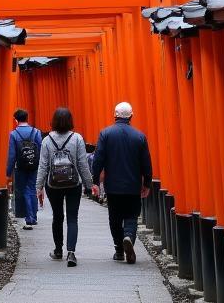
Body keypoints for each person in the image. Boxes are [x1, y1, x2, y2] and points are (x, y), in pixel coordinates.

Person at [91, 101, 153, 264]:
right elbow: (146, 162)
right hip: (133, 185)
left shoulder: (105, 134)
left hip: (113, 186)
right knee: (132, 215)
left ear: (115, 115)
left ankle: (119, 249)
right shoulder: (139, 136)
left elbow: (98, 159)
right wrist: (147, 182)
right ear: (131, 116)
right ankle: (128, 238)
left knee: (115, 217)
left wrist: (95, 181)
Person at [36, 106, 93, 267]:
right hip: (73, 183)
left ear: (53, 121)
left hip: (53, 185)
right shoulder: (77, 139)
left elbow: (43, 166)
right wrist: (89, 184)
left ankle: (58, 250)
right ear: (70, 121)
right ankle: (71, 253)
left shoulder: (47, 140)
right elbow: (82, 164)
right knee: (72, 217)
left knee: (57, 216)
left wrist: (38, 187)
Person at [6, 108, 41, 230]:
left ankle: (28, 217)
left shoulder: (14, 134)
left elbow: (12, 155)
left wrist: (8, 172)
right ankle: (33, 216)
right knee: (31, 188)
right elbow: (40, 150)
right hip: (34, 165)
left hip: (20, 167)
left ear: (16, 120)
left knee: (23, 189)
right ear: (27, 118)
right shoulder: (36, 132)